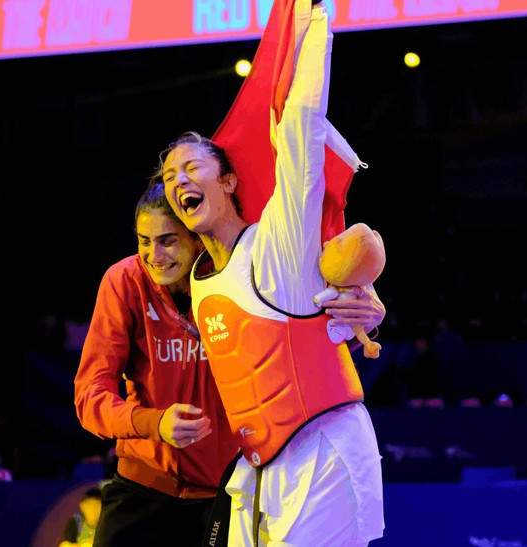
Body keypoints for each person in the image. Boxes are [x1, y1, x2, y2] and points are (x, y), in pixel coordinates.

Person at [158, 1, 386, 544]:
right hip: (257, 470)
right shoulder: (195, 280)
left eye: (193, 166)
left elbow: (301, 131)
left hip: (324, 451)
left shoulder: (277, 244)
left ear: (230, 183)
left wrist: (314, 22)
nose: (179, 179)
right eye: (170, 175)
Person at [73, 183, 239, 547]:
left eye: (167, 240)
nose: (154, 255)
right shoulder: (124, 282)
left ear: (197, 238)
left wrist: (352, 329)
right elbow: (89, 397)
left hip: (223, 494)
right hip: (141, 488)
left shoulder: (235, 281)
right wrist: (154, 423)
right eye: (144, 241)